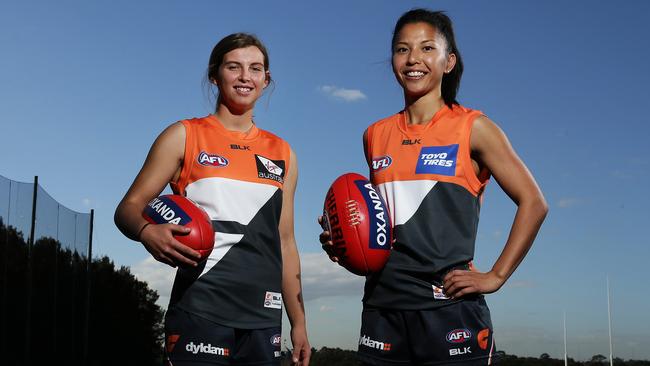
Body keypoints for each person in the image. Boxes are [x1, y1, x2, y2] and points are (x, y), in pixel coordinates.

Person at [319, 9, 548, 366]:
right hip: (383, 309)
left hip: (450, 310)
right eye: (402, 49)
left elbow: (534, 202)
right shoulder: (375, 135)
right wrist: (345, 242)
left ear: (449, 61)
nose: (413, 59)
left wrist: (496, 275)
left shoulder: (474, 128)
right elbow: (384, 225)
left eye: (427, 48)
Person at [115, 33, 310, 366]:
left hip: (263, 319)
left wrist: (300, 323)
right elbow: (128, 209)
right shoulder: (184, 135)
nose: (245, 76)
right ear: (215, 75)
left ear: (266, 79)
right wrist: (148, 232)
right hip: (200, 308)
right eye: (234, 67)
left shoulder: (284, 154)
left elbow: (286, 242)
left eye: (255, 68)